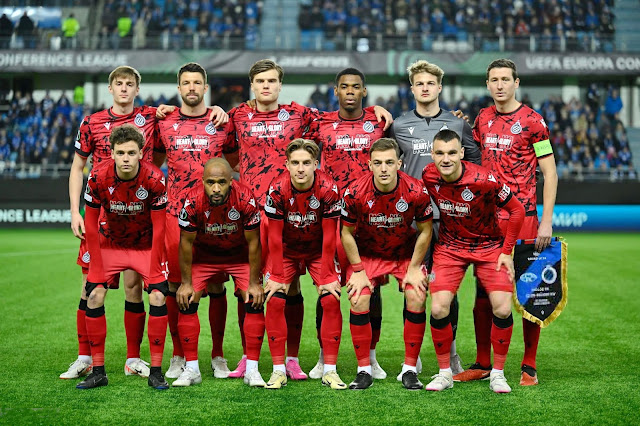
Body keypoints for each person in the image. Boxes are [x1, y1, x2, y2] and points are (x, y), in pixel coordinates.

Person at [227, 59, 391, 379]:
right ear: (252, 85)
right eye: (260, 81)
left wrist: (376, 110)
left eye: (272, 81)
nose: (266, 86)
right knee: (252, 286)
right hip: (256, 213)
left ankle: (306, 358)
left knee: (335, 285)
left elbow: (344, 112)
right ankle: (250, 358)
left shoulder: (301, 115)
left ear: (280, 84)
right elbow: (225, 144)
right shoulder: (237, 115)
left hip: (314, 211)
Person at [456, 58, 557, 386]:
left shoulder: (533, 122)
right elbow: (469, 156)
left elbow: (550, 173)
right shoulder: (482, 119)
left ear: (516, 83)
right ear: (487, 85)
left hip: (525, 219)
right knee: (484, 293)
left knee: (530, 293)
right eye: (493, 80)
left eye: (505, 79)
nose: (499, 85)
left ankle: (529, 364)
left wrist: (546, 222)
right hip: (486, 221)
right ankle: (483, 362)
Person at [63, 66, 162, 381]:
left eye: (129, 84)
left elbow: (165, 145)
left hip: (136, 215)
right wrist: (75, 211)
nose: (123, 88)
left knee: (134, 285)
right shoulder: (91, 123)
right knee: (90, 285)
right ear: (110, 88)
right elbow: (78, 167)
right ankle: (85, 358)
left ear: (137, 89)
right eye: (118, 84)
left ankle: (133, 358)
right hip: (100, 214)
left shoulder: (151, 117)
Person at [390, 59, 482, 379]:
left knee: (447, 292)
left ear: (439, 88)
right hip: (414, 224)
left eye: (431, 83)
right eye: (420, 83)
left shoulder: (457, 125)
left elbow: (474, 166)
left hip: (451, 221)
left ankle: (452, 353)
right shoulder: (399, 125)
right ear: (412, 88)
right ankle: (412, 358)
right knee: (413, 288)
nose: (425, 88)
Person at [422, 129, 525, 393]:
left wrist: (506, 251)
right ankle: (445, 372)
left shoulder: (484, 179)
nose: (446, 159)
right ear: (432, 154)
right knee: (438, 309)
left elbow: (516, 210)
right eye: (441, 154)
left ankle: (498, 374)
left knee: (502, 308)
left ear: (462, 154)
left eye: (452, 153)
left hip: (489, 247)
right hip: (449, 248)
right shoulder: (428, 175)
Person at [154, 62, 238, 381]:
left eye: (197, 83)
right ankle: (178, 355)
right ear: (179, 88)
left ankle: (217, 355)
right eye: (186, 83)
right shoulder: (164, 122)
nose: (191, 87)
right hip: (176, 216)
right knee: (178, 286)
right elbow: (155, 161)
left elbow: (232, 162)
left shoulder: (221, 122)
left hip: (215, 219)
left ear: (205, 88)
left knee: (216, 285)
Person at [304, 67, 388, 380]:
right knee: (328, 289)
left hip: (369, 220)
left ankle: (371, 357)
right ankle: (324, 359)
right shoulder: (320, 123)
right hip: (329, 218)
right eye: (344, 87)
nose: (350, 91)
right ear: (336, 91)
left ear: (364, 92)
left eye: (355, 86)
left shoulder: (379, 122)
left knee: (371, 290)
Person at [77, 124, 169, 390]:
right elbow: (91, 225)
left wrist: (154, 269)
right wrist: (95, 265)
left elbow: (160, 227)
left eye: (131, 152)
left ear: (141, 153)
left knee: (158, 295)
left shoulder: (154, 179)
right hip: (110, 245)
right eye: (121, 153)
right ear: (113, 154)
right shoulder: (98, 177)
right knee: (93, 295)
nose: (126, 158)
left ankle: (156, 371)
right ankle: (98, 371)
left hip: (144, 246)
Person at [341, 138, 433, 390]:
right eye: (378, 163)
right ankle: (363, 370)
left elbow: (425, 230)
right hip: (369, 254)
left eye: (389, 162)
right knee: (358, 297)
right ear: (369, 164)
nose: (383, 168)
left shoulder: (416, 190)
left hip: (404, 254)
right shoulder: (354, 191)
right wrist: (358, 271)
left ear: (399, 164)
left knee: (417, 294)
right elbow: (346, 233)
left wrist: (414, 268)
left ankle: (410, 369)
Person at [176, 158, 266, 387]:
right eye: (211, 182)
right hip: (205, 258)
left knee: (253, 298)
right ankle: (192, 369)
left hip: (239, 257)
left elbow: (254, 243)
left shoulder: (246, 198)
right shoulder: (192, 200)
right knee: (187, 298)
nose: (216, 188)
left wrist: (255, 282)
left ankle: (252, 370)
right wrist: (186, 282)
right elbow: (185, 244)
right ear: (203, 181)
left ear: (231, 182)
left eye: (222, 182)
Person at [263, 139, 345, 390]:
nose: (301, 168)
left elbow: (331, 235)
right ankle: (279, 371)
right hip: (286, 250)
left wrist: (329, 274)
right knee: (276, 297)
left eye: (306, 163)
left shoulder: (329, 189)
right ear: (286, 164)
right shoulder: (277, 189)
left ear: (316, 164)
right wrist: (277, 275)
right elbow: (274, 237)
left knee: (331, 298)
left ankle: (330, 370)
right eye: (295, 163)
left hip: (317, 251)